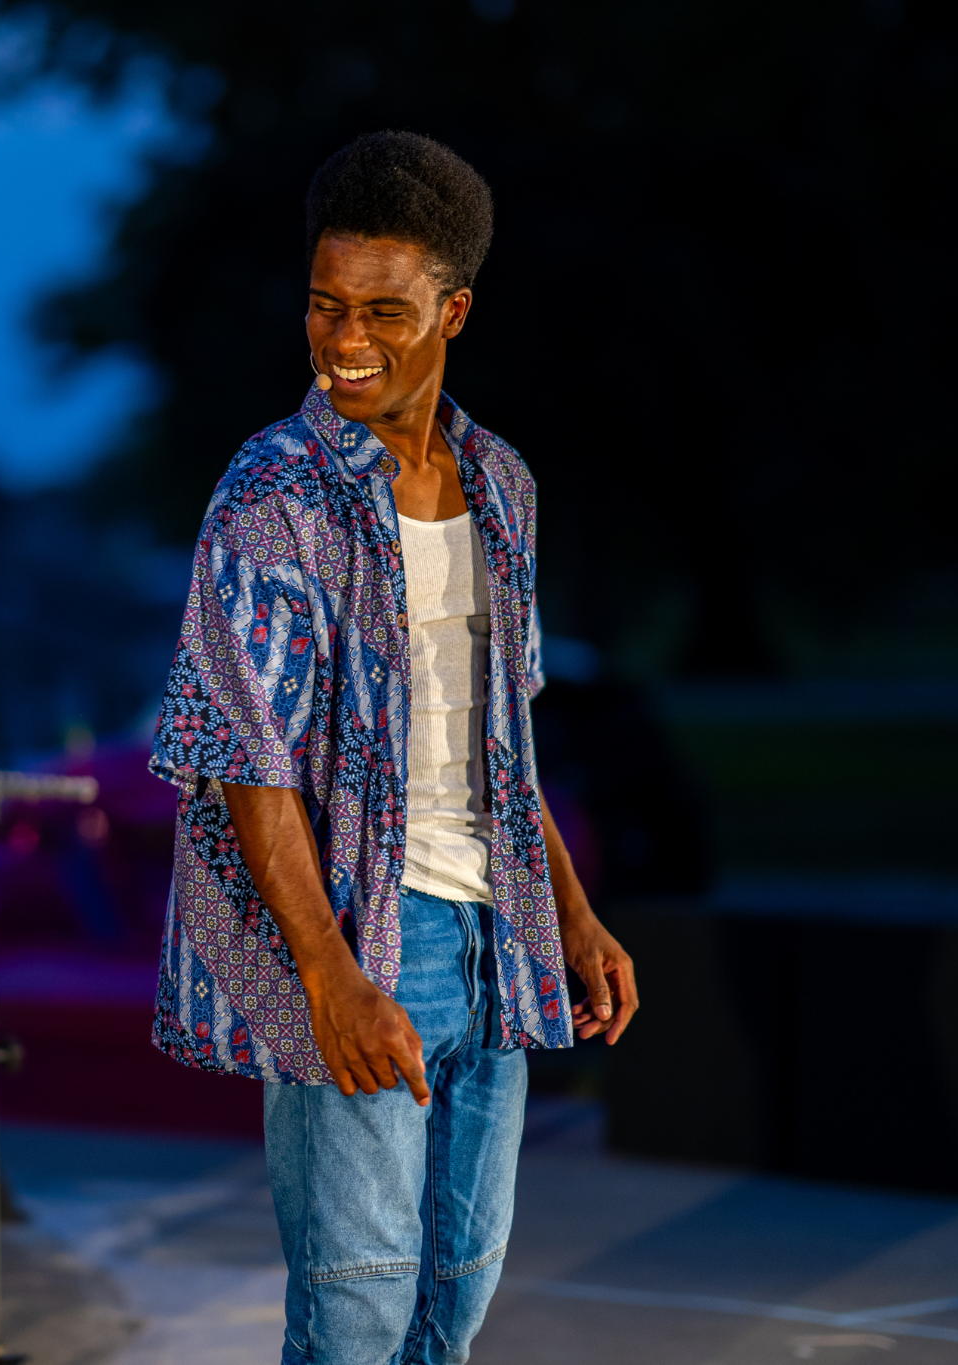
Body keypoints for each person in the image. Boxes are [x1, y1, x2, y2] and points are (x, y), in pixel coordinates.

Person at [147, 131, 640, 1364]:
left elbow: (503, 738)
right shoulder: (276, 489)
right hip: (370, 932)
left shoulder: (499, 483)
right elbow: (240, 755)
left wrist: (571, 916)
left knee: (454, 1298)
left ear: (452, 311)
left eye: (383, 311)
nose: (344, 339)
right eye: (324, 306)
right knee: (354, 1309)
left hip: (497, 931)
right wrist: (331, 979)